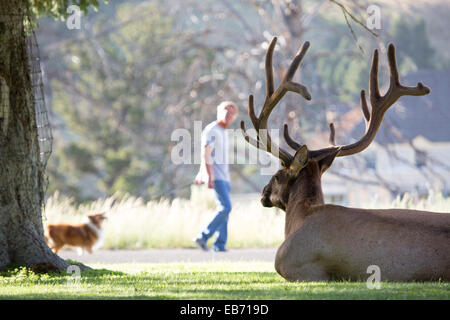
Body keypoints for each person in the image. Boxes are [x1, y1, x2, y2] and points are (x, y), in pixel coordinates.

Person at [193, 101, 238, 252]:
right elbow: (205, 154)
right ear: (219, 111)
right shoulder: (212, 130)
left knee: (224, 210)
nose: (228, 114)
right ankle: (203, 236)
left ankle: (219, 244)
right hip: (216, 176)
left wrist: (201, 173)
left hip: (225, 177)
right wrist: (208, 175)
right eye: (226, 110)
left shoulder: (224, 131)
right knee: (226, 207)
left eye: (232, 113)